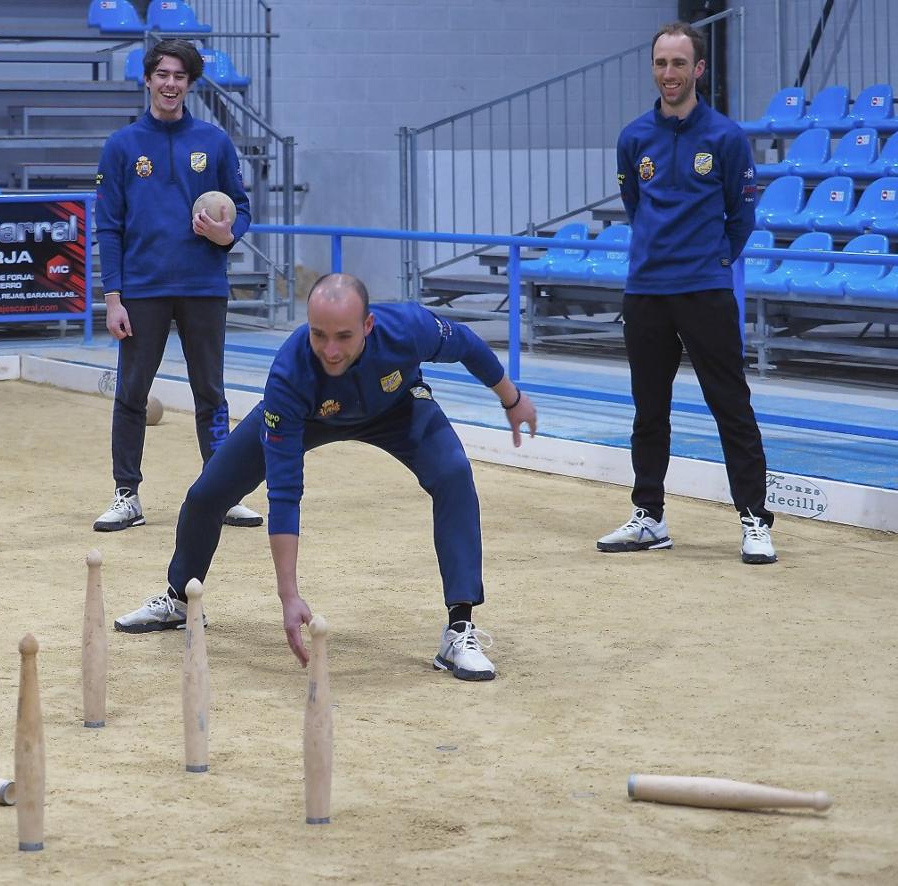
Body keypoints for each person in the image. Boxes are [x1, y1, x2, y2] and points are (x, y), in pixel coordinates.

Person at [114, 274, 538, 682]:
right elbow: (284, 492)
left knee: (454, 474)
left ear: (367, 326)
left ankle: (458, 629)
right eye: (319, 335)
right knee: (208, 494)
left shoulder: (408, 328)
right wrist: (288, 594)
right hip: (311, 415)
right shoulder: (289, 373)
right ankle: (179, 598)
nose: (330, 350)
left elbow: (465, 344)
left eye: (344, 336)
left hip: (397, 409)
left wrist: (512, 399)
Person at [600, 21, 776, 565]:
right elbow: (635, 206)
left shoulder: (725, 137)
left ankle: (754, 520)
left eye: (679, 64)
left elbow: (742, 212)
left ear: (699, 69)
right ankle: (649, 516)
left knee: (731, 406)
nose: (669, 74)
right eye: (661, 64)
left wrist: (715, 258)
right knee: (648, 411)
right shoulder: (634, 137)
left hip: (705, 289)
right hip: (647, 290)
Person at [92, 38, 262, 532]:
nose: (170, 84)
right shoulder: (122, 146)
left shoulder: (214, 141)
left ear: (190, 83)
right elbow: (108, 226)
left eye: (179, 76)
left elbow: (242, 207)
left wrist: (228, 234)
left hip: (203, 285)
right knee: (132, 392)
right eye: (162, 74)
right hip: (142, 290)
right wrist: (114, 296)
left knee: (211, 390)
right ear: (148, 79)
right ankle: (127, 495)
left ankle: (221, 489)